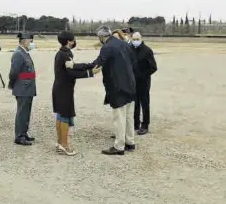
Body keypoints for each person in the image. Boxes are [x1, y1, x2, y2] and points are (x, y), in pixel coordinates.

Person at [52, 31, 102, 156]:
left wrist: (88, 67)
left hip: (60, 88)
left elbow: (73, 66)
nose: (74, 41)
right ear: (69, 41)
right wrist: (90, 73)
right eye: (73, 39)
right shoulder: (65, 54)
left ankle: (60, 143)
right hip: (64, 89)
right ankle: (64, 145)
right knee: (64, 116)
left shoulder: (62, 53)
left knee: (60, 116)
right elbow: (71, 72)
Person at [90, 26, 137, 155]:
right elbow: (133, 62)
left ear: (101, 37)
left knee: (119, 117)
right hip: (130, 84)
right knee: (128, 116)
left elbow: (97, 63)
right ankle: (130, 142)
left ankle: (119, 146)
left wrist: (79, 67)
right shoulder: (123, 44)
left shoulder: (107, 47)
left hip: (117, 86)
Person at [8, 33, 37, 145]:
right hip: (22, 87)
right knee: (22, 112)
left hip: (28, 87)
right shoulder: (18, 54)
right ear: (24, 41)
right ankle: (19, 136)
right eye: (30, 41)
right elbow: (14, 72)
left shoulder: (25, 53)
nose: (32, 43)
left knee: (26, 112)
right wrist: (12, 84)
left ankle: (24, 133)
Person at [131, 32, 158, 135]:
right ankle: (135, 123)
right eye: (134, 39)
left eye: (137, 39)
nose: (135, 41)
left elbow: (153, 67)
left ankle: (145, 124)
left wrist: (142, 75)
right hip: (133, 82)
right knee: (135, 103)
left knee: (145, 103)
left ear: (141, 39)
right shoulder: (130, 49)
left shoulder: (147, 51)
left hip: (144, 82)